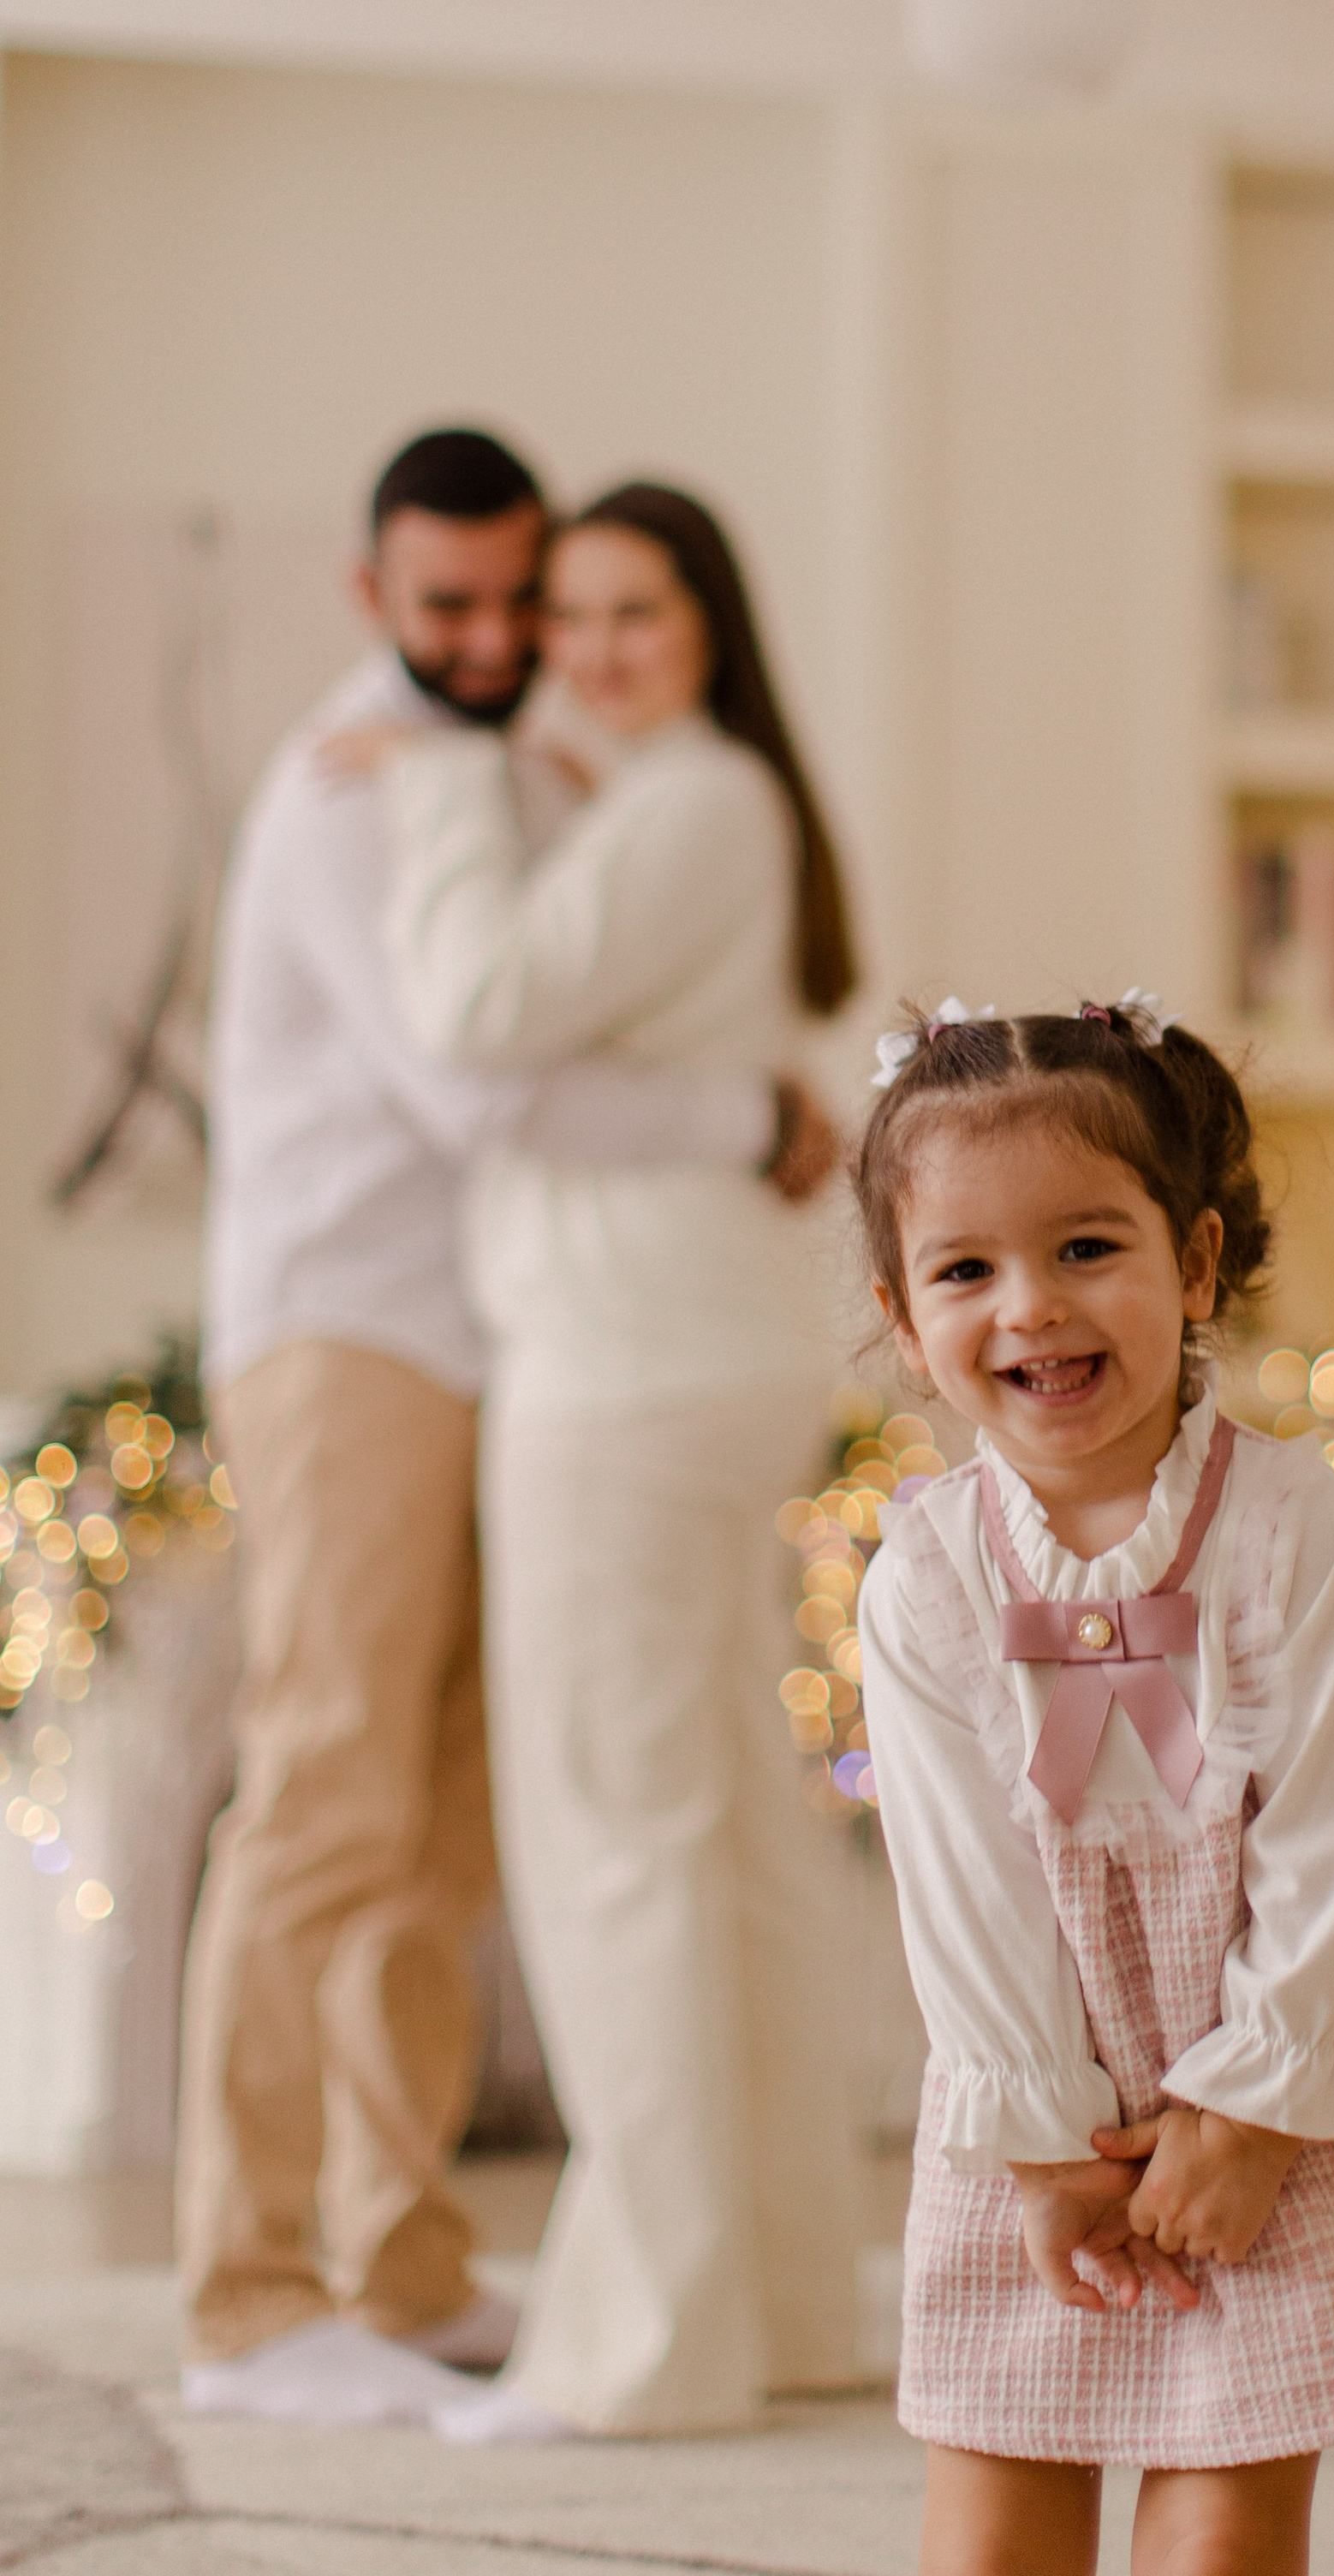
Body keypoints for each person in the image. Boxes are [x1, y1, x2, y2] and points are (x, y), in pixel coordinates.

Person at [179, 430, 829, 2432]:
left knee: (443, 1830)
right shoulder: (354, 783)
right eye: (448, 604)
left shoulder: (562, 773)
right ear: (374, 596)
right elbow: (476, 1085)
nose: (490, 637)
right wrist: (751, 1115)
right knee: (329, 1799)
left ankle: (399, 2256)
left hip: (506, 1344)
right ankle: (247, 2292)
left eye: (516, 600)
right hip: (349, 1331)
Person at [852, 999, 1334, 2576]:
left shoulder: (1283, 1525)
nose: (1031, 1308)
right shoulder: (924, 1581)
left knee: (1229, 2519)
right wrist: (1047, 2145)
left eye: (1086, 1249)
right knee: (991, 2515)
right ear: (907, 1320)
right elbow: (965, 1890)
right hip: (1032, 2081)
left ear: (1192, 1265)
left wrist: (1251, 2104)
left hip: (1266, 2074)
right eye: (966, 1271)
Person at [361, 482, 872, 2442]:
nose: (582, 647)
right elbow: (548, 1075)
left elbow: (476, 1013)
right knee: (721, 1839)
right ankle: (782, 2301)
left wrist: (438, 788)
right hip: (687, 1356)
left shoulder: (683, 806)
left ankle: (654, 2347)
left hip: (622, 1372)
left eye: (629, 610)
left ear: (708, 624)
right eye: (563, 614)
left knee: (617, 1845)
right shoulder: (693, 806)